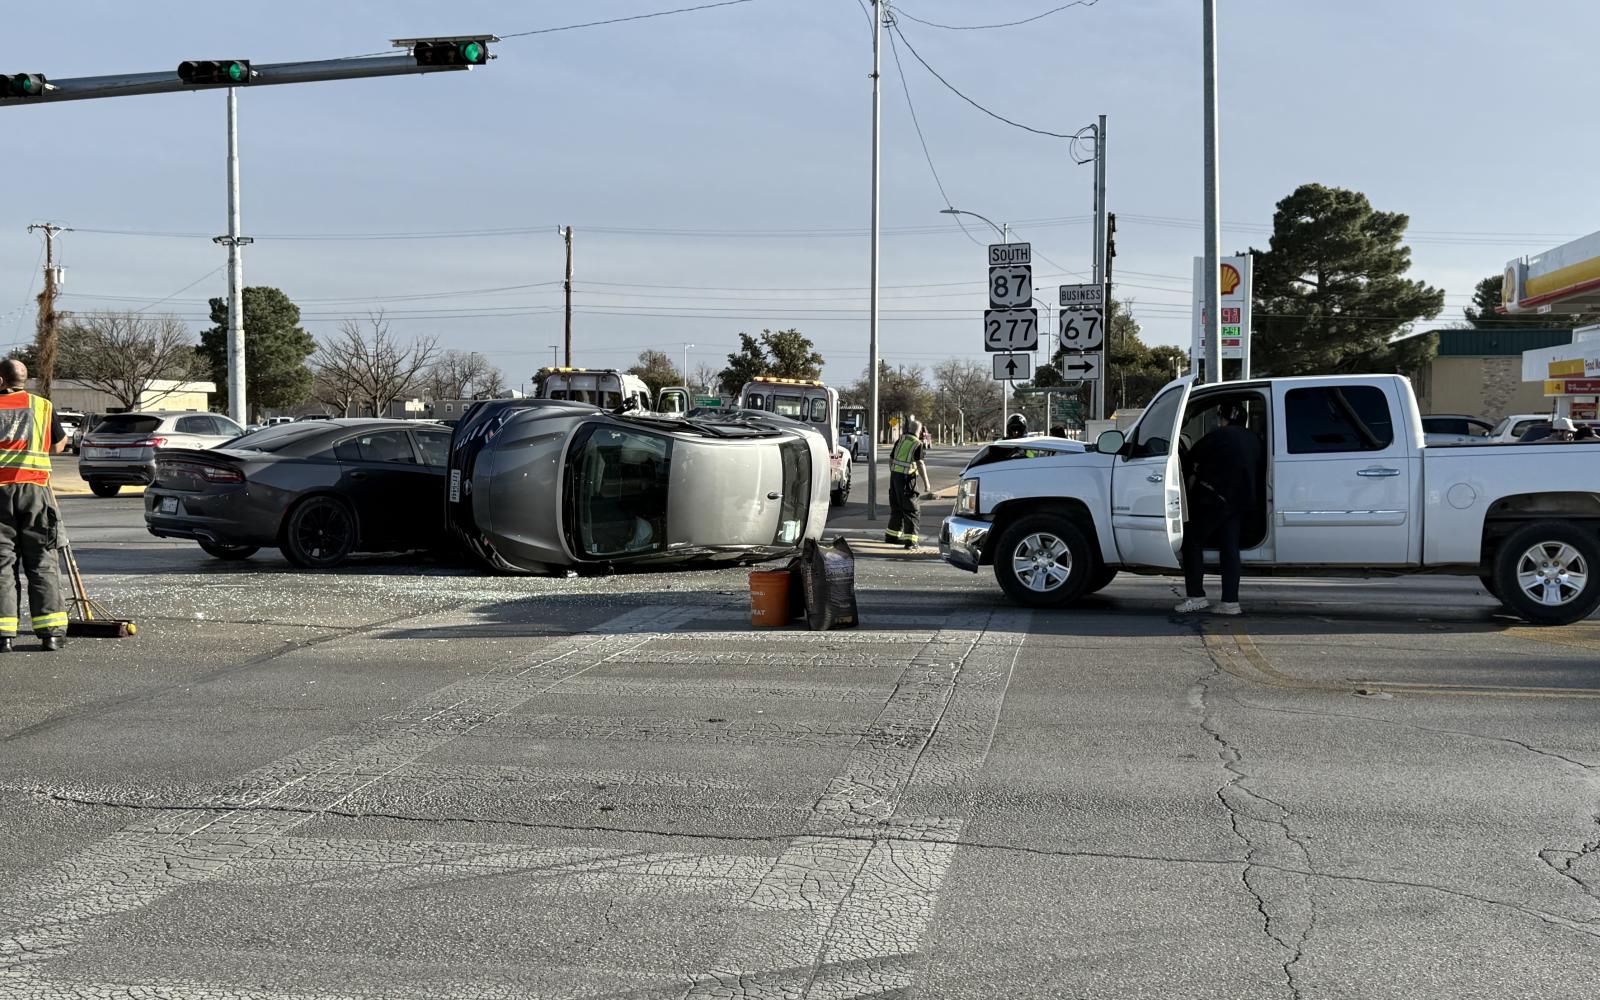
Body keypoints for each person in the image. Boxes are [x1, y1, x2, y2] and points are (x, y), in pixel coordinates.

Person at [0, 360, 68, 650]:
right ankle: (51, 633)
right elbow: (58, 445)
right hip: (36, 493)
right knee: (42, 560)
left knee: (2, 563)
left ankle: (3, 635)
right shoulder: (41, 406)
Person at [1175, 401, 1262, 617]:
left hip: (1215, 500)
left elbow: (1192, 457)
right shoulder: (1254, 440)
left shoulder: (1220, 436)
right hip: (1241, 502)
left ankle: (1196, 596)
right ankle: (1230, 602)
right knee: (1229, 548)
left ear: (1223, 418)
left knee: (1192, 542)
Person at [886, 417, 932, 549]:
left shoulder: (901, 440)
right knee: (912, 510)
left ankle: (891, 536)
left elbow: (891, 459)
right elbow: (920, 463)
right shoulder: (917, 444)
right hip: (907, 480)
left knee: (897, 509)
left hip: (895, 478)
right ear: (920, 431)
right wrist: (926, 483)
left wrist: (894, 473)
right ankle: (911, 542)